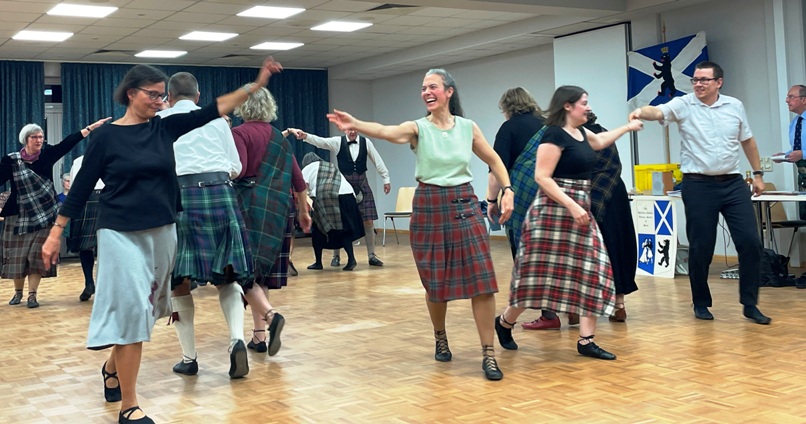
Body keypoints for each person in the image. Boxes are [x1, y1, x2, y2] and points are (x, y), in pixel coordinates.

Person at [41, 58, 283, 424]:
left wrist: (256, 85)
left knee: (149, 311)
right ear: (130, 93)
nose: (159, 101)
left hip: (163, 233)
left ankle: (112, 368)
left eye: (162, 96)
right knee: (131, 312)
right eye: (153, 95)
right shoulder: (106, 137)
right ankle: (129, 406)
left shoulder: (164, 128)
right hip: (120, 234)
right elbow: (81, 189)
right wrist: (56, 233)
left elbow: (215, 108)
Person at [327, 68, 514, 381]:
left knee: (482, 282)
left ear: (449, 92)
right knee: (435, 282)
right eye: (424, 88)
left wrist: (507, 189)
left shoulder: (467, 127)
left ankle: (488, 354)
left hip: (464, 203)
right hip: (429, 205)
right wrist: (356, 123)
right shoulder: (418, 128)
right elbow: (387, 131)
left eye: (433, 87)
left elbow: (494, 160)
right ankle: (440, 337)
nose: (427, 92)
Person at [494, 85, 643, 360]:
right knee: (535, 277)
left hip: (579, 209)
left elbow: (601, 141)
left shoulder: (581, 132)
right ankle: (504, 322)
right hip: (552, 212)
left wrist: (627, 128)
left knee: (594, 271)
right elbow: (542, 177)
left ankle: (586, 340)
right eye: (583, 103)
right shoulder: (553, 134)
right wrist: (572, 205)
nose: (588, 107)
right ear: (567, 106)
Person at [628, 60, 771, 325]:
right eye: (695, 80)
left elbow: (748, 140)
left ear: (719, 82)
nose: (698, 84)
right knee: (702, 246)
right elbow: (657, 112)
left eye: (704, 80)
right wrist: (639, 111)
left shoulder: (734, 106)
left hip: (733, 183)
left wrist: (758, 174)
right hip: (698, 185)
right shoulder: (684, 104)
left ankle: (750, 303)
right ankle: (701, 302)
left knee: (751, 242)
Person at [157, 71, 253, 379]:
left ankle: (190, 358)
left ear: (169, 97)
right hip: (221, 193)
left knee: (179, 280)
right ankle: (237, 340)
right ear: (198, 96)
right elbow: (236, 167)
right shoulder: (218, 121)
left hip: (179, 197)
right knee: (228, 273)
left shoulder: (159, 121)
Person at [486, 87, 579, 331]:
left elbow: (496, 168)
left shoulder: (508, 128)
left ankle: (548, 314)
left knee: (529, 254)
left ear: (507, 107)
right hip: (554, 194)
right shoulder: (550, 125)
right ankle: (572, 307)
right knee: (559, 250)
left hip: (522, 199)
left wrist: (491, 200)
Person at [231, 86, 311, 357]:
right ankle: (259, 336)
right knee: (262, 271)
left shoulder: (239, 133)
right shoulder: (279, 137)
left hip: (251, 205)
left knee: (243, 271)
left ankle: (270, 316)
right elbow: (298, 180)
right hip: (280, 207)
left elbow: (239, 169)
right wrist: (304, 211)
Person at [2, 119, 109, 308]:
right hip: (18, 214)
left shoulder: (47, 154)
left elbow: (67, 143)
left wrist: (89, 129)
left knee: (36, 256)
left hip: (45, 213)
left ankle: (32, 295)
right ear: (25, 139)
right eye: (35, 137)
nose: (39, 140)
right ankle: (18, 292)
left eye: (41, 137)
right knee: (18, 257)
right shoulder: (10, 160)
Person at [291, 128, 390, 267]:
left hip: (362, 184)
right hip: (340, 184)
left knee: (368, 221)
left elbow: (377, 160)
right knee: (337, 221)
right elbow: (321, 142)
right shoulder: (338, 142)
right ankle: (336, 256)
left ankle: (371, 255)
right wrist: (306, 136)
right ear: (344, 129)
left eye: (355, 128)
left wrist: (386, 178)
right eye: (349, 129)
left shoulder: (366, 142)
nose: (353, 131)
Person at [583, 111, 638, 322]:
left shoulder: (575, 138)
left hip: (585, 196)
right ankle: (619, 304)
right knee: (617, 247)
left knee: (584, 251)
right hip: (614, 192)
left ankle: (574, 309)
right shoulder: (604, 133)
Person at [300, 152, 365, 271]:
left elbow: (302, 187)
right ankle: (351, 259)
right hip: (348, 196)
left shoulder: (306, 169)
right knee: (343, 230)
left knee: (318, 229)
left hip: (327, 197)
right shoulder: (329, 165)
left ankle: (318, 262)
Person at [68, 155, 105, 302]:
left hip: (83, 198)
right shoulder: (112, 154)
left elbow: (73, 187)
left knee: (85, 246)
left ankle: (89, 282)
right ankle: (104, 287)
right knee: (107, 244)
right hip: (106, 197)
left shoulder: (78, 160)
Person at [774, 84, 806, 164]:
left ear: (804, 100)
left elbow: (802, 153)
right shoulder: (795, 122)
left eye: (791, 97)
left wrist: (803, 154)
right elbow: (798, 150)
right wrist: (785, 156)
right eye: (787, 97)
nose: (787, 100)